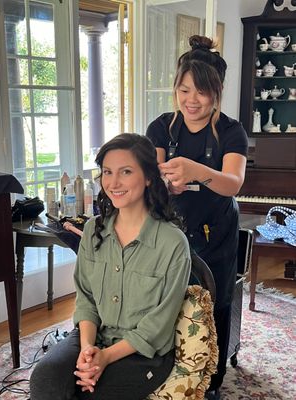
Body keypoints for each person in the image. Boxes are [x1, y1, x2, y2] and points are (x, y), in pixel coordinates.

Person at [30, 133, 191, 400]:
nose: (113, 183)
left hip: (143, 354)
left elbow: (158, 325)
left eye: (126, 172)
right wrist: (87, 350)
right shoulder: (93, 229)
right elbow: (86, 299)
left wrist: (106, 358)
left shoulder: (173, 243)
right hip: (94, 337)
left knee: (90, 394)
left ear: (149, 177)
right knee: (45, 379)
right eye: (107, 172)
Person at [146, 35, 248, 400]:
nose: (191, 100)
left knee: (215, 306)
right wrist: (163, 184)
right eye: (184, 89)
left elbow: (233, 182)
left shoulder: (232, 131)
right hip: (170, 231)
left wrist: (194, 170)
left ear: (216, 92)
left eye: (201, 92)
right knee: (170, 302)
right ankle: (170, 372)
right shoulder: (162, 127)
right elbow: (152, 173)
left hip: (216, 232)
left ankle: (212, 381)